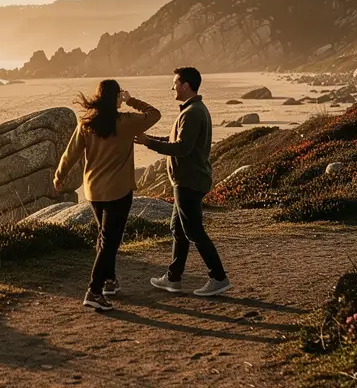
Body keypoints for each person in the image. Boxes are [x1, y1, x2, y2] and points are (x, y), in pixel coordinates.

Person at [53, 79, 162, 311]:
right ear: (116, 97)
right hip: (118, 190)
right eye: (119, 95)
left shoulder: (87, 123)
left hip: (94, 190)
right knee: (109, 241)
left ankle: (110, 281)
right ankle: (94, 291)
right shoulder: (127, 122)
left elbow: (71, 153)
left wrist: (59, 176)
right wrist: (131, 100)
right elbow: (154, 114)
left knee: (105, 238)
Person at [135, 66, 231, 297]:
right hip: (189, 180)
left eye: (175, 83)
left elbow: (181, 148)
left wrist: (150, 144)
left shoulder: (192, 113)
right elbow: (174, 140)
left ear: (186, 85)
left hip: (189, 181)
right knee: (178, 229)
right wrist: (147, 139)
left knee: (193, 231)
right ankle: (173, 278)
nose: (173, 87)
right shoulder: (193, 110)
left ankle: (218, 277)